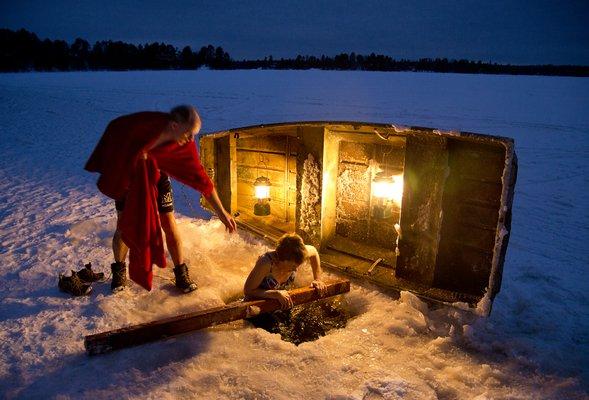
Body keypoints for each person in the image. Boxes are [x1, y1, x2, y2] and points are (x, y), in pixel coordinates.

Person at [85, 105, 236, 293]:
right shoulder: (141, 127)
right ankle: (119, 271)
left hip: (159, 177)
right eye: (189, 133)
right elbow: (115, 129)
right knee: (124, 225)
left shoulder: (183, 143)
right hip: (130, 179)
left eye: (194, 134)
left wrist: (222, 212)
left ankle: (181, 273)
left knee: (169, 223)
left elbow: (201, 178)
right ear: (174, 125)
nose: (191, 139)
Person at [243, 233, 326, 307]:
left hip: (281, 303)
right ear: (283, 259)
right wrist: (275, 294)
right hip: (257, 307)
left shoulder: (298, 255)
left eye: (298, 265)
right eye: (293, 265)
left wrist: (317, 279)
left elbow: (314, 251)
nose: (296, 269)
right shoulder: (266, 263)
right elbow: (248, 290)